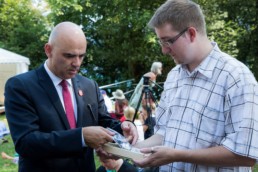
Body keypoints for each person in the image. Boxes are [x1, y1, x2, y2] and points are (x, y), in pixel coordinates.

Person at [133, 0, 258, 171]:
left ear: (191, 33)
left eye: (168, 41)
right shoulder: (174, 76)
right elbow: (164, 134)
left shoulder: (236, 77)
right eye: (161, 42)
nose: (164, 50)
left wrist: (178, 155)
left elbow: (245, 155)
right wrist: (129, 149)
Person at [4, 22, 138, 172]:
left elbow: (103, 120)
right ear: (48, 50)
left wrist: (123, 126)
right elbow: (25, 143)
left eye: (81, 56)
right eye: (69, 56)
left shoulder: (89, 86)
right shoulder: (21, 86)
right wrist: (80, 137)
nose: (77, 63)